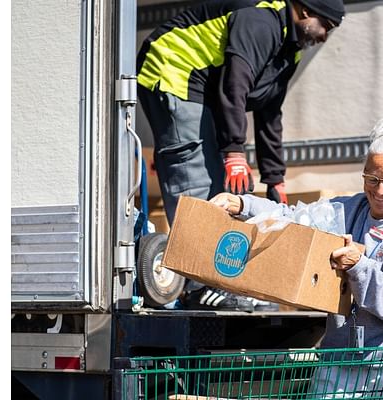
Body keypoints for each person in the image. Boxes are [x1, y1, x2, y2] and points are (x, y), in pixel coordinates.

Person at [209, 116, 383, 399]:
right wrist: (244, 204)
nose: (379, 191)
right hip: (341, 359)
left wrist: (359, 266)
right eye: (372, 179)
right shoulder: (349, 209)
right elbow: (296, 218)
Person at [136, 0, 345, 310]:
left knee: (233, 193)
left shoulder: (290, 49)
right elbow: (235, 84)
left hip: (207, 90)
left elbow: (269, 111)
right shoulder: (260, 21)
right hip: (174, 69)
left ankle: (227, 283)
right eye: (325, 25)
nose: (325, 36)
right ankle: (201, 287)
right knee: (197, 178)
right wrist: (235, 151)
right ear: (304, 10)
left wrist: (275, 178)